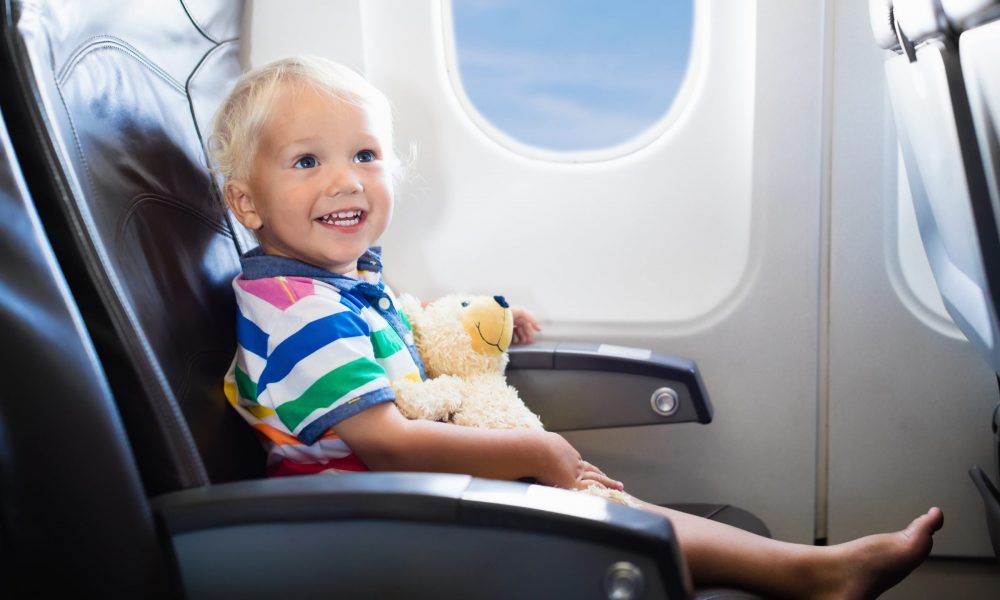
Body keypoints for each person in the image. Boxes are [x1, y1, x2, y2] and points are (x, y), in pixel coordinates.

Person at [212, 55, 942, 598]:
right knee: (594, 510)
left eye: (365, 155)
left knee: (608, 510)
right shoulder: (299, 311)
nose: (346, 180)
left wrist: (473, 324)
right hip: (370, 525)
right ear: (247, 203)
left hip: (396, 503)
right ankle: (815, 574)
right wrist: (540, 448)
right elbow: (388, 442)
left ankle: (814, 572)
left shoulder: (331, 283)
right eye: (307, 161)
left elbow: (394, 332)